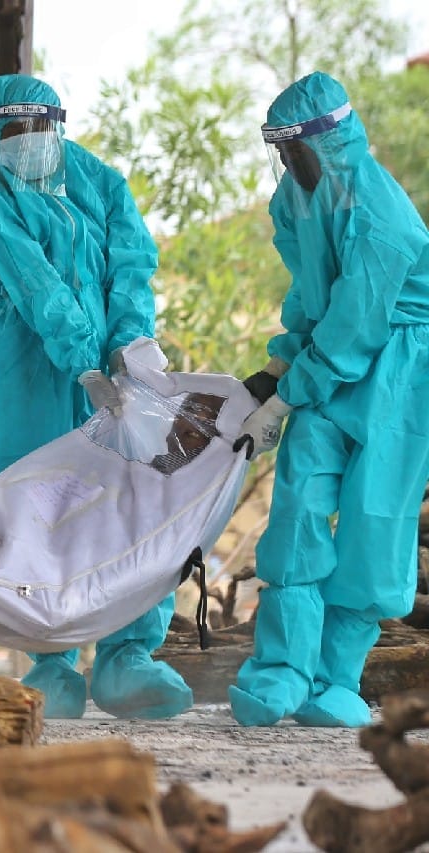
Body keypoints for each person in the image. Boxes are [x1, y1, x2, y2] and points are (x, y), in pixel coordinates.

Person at [0, 74, 191, 719]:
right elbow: (36, 287)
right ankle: (51, 662)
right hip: (21, 362)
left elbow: (132, 267)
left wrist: (126, 348)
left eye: (36, 129)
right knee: (38, 502)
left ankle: (127, 658)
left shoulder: (101, 182)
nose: (25, 144)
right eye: (11, 132)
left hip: (112, 367)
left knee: (130, 497)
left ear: (58, 124)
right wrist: (82, 362)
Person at [230, 71, 429, 727]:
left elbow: (354, 325)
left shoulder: (383, 219)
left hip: (402, 366)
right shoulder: (299, 198)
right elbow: (312, 299)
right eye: (280, 152)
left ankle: (337, 679)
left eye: (295, 151)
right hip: (328, 360)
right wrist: (278, 366)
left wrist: (286, 396)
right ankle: (281, 671)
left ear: (332, 140)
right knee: (298, 504)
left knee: (377, 519)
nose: (287, 165)